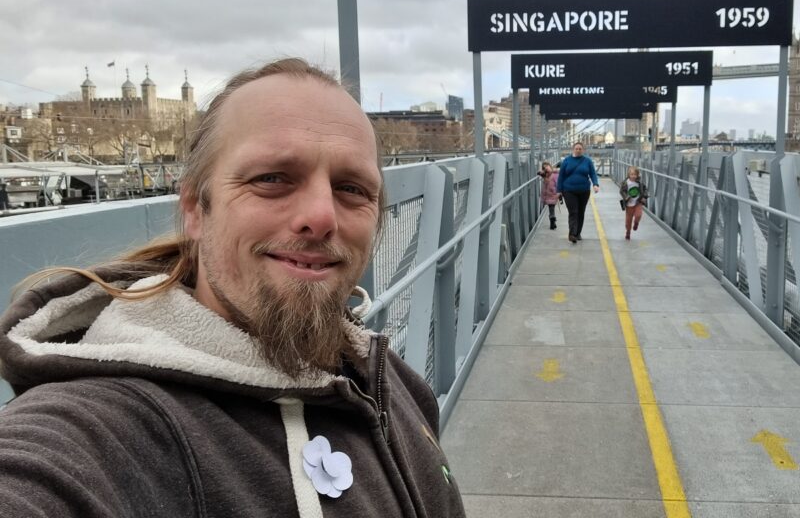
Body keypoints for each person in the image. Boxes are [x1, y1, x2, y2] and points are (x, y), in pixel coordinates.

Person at [0, 58, 465, 518]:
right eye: (271, 179)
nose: (323, 216)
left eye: (352, 188)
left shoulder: (394, 382)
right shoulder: (99, 428)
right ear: (195, 210)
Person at [555, 141, 599, 244]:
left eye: (580, 149)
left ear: (583, 150)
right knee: (573, 212)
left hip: (584, 190)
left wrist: (595, 184)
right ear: (573, 149)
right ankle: (572, 234)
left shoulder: (587, 161)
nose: (578, 150)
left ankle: (578, 233)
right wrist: (558, 190)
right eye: (576, 148)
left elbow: (593, 173)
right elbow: (561, 176)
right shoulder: (566, 161)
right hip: (569, 190)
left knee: (581, 212)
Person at [619, 165, 649, 240]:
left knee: (638, 215)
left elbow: (645, 190)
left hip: (637, 202)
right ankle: (628, 231)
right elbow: (621, 191)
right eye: (631, 174)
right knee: (628, 221)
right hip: (629, 205)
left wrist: (644, 197)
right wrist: (626, 197)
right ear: (628, 175)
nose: (633, 176)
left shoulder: (639, 183)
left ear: (637, 175)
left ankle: (636, 223)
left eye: (635, 174)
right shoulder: (626, 183)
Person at [538, 161, 560, 230]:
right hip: (547, 194)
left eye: (547, 166)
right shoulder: (544, 174)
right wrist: (543, 173)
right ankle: (553, 220)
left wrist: (559, 193)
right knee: (551, 208)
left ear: (550, 166)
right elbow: (538, 173)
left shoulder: (555, 174)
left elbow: (558, 183)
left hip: (553, 193)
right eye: (544, 167)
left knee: (551, 208)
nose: (546, 168)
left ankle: (552, 222)